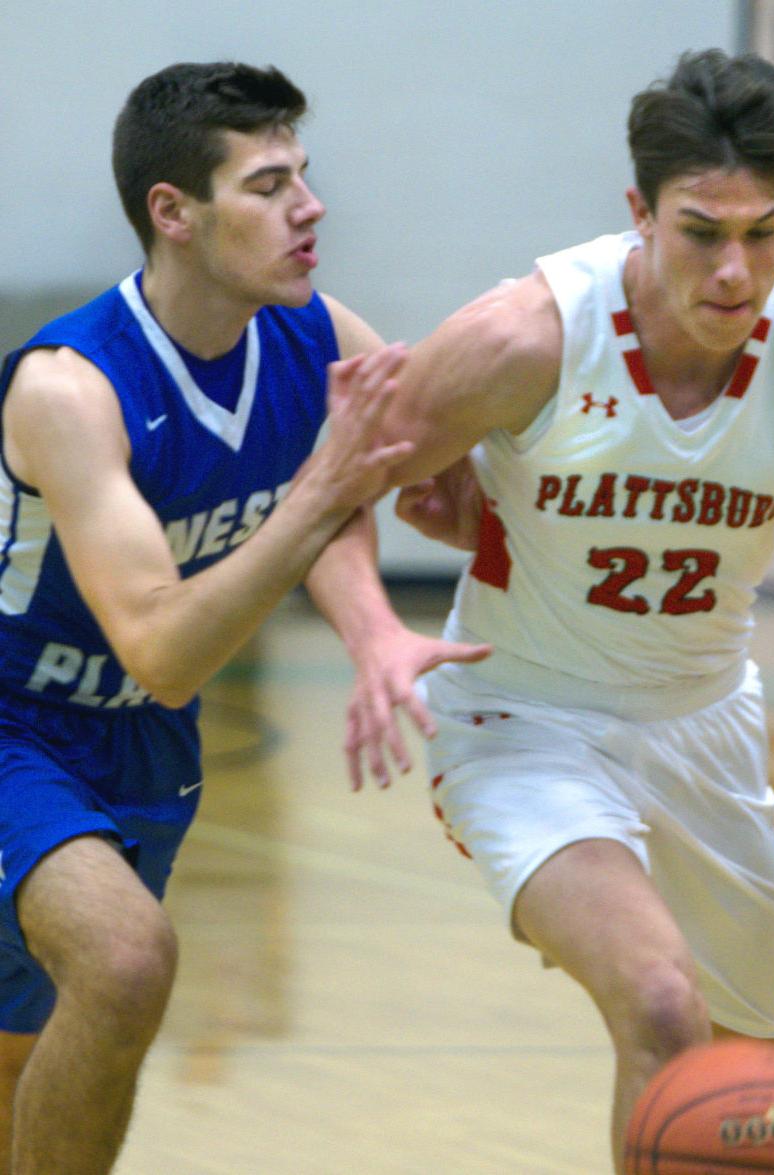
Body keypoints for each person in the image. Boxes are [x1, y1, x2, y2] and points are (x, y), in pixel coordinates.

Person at [380, 49, 774, 1172]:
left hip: (704, 723)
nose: (736, 270)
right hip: (523, 715)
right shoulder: (528, 333)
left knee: (747, 1098)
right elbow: (338, 481)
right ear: (637, 211)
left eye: (765, 233)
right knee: (658, 1003)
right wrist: (368, 625)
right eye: (700, 231)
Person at [0, 62, 487, 1173]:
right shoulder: (71, 387)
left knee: (20, 1062)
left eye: (302, 177)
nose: (309, 208)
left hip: (138, 742)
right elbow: (168, 647)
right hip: (14, 714)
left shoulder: (317, 337)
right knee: (126, 961)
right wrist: (326, 487)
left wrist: (387, 606)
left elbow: (407, 483)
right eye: (269, 185)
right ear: (173, 212)